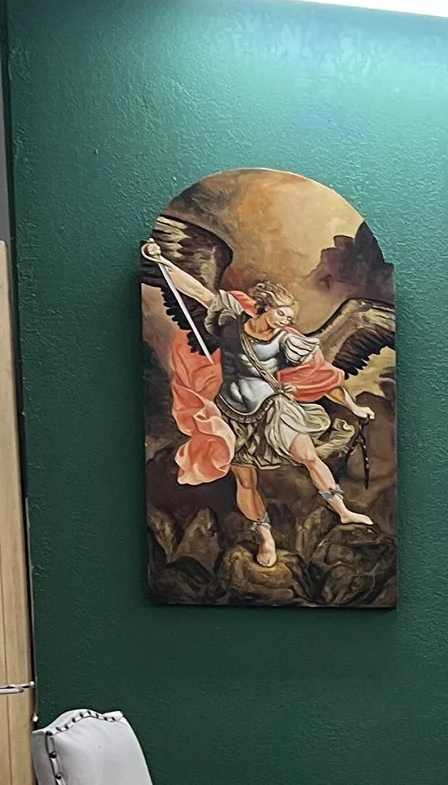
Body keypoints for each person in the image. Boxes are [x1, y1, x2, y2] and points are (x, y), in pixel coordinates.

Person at [141, 239, 375, 569]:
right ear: (265, 308)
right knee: (246, 481)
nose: (286, 320)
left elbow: (323, 378)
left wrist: (353, 408)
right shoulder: (230, 321)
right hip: (231, 415)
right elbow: (195, 290)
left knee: (307, 456)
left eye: (290, 316)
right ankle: (265, 538)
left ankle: (342, 511)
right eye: (282, 313)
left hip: (273, 410)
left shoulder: (288, 341)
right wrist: (163, 263)